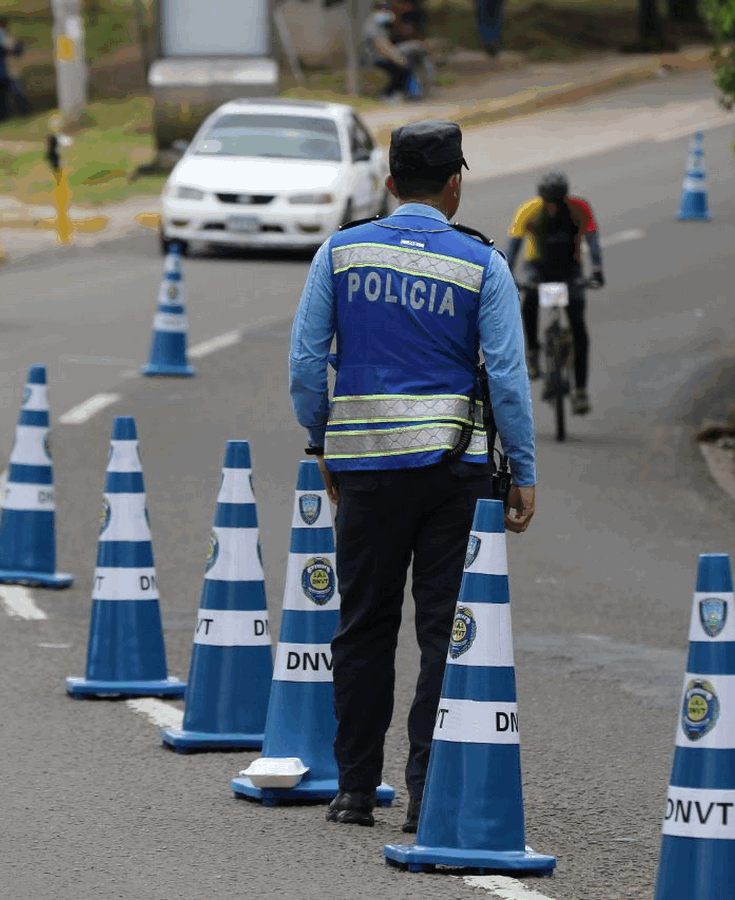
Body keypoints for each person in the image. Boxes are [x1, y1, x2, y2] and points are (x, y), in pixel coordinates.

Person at [288, 119, 537, 832]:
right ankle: (426, 793)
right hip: (453, 473)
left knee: (362, 627)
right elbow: (510, 382)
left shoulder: (338, 253)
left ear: (391, 184)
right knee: (441, 632)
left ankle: (355, 791)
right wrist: (522, 468)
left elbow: (308, 365)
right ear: (454, 183)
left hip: (363, 468)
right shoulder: (481, 264)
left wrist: (322, 442)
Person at [506, 170, 605, 415]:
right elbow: (514, 246)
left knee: (578, 328)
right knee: (528, 302)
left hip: (569, 269)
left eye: (557, 202)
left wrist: (597, 269)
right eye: (549, 202)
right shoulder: (529, 210)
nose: (553, 207)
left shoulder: (579, 208)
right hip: (538, 268)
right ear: (542, 199)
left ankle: (580, 390)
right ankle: (532, 352)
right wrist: (508, 274)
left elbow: (592, 240)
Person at [361, 1, 413, 103]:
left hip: (381, 57)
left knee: (405, 67)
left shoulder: (379, 26)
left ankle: (398, 94)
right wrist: (398, 59)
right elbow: (382, 47)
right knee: (401, 70)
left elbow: (386, 45)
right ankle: (389, 96)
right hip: (376, 59)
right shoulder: (373, 27)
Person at [0, 16, 29, 117]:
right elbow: (15, 49)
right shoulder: (2, 36)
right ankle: (20, 110)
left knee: (12, 91)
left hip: (9, 68)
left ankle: (19, 110)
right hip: (7, 68)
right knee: (14, 90)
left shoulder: (7, 36)